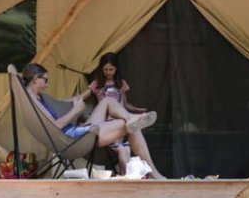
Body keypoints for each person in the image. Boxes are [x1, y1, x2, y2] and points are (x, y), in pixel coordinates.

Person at [22, 63, 165, 179]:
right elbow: (56, 126)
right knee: (128, 126)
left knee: (108, 101)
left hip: (74, 132)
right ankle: (153, 173)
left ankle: (130, 118)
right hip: (73, 138)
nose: (47, 84)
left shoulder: (34, 99)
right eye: (45, 80)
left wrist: (73, 108)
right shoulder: (34, 102)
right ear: (36, 79)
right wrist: (76, 111)